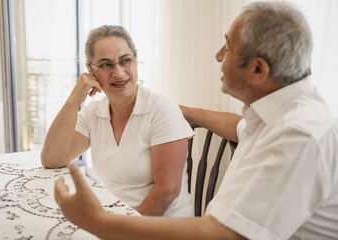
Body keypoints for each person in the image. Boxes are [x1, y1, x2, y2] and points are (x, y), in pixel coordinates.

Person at [54, 1, 338, 239]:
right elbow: (240, 128)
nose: (217, 56)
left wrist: (96, 222)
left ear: (258, 69)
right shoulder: (275, 114)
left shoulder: (299, 135)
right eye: (105, 64)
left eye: (227, 48)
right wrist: (185, 112)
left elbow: (223, 235)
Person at [41, 25, 195, 217]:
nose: (119, 73)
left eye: (126, 61)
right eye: (106, 64)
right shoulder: (94, 113)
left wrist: (118, 231)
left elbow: (167, 192)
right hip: (113, 220)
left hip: (159, 228)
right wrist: (74, 99)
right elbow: (52, 159)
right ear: (90, 71)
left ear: (135, 61)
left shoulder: (161, 109)